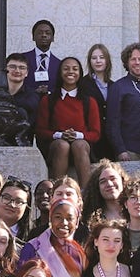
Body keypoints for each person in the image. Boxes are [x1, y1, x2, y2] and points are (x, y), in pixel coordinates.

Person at [37, 57, 100, 186]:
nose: (70, 72)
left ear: (80, 73)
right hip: (56, 147)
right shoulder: (48, 100)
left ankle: (86, 194)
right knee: (63, 145)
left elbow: (96, 133)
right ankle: (57, 190)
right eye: (66, 69)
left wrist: (77, 135)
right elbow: (40, 130)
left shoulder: (89, 101)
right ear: (60, 73)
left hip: (82, 148)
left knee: (79, 144)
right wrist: (60, 135)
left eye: (75, 69)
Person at [104, 42, 140, 161]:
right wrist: (120, 150)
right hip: (130, 151)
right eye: (133, 59)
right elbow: (112, 122)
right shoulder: (118, 87)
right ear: (127, 63)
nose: (137, 63)